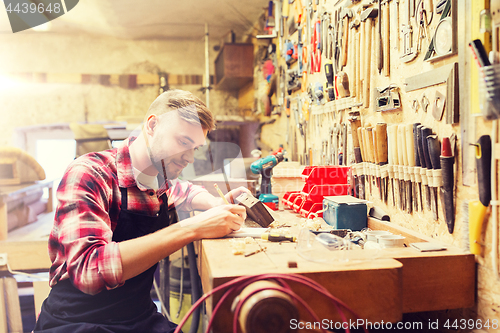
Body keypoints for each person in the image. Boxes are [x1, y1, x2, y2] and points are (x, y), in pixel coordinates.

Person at [34, 89, 249, 332]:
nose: (189, 157)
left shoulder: (159, 177)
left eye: (195, 148)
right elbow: (89, 269)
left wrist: (214, 203)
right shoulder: (89, 173)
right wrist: (193, 228)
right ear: (152, 126)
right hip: (77, 321)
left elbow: (184, 191)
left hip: (138, 317)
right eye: (183, 142)